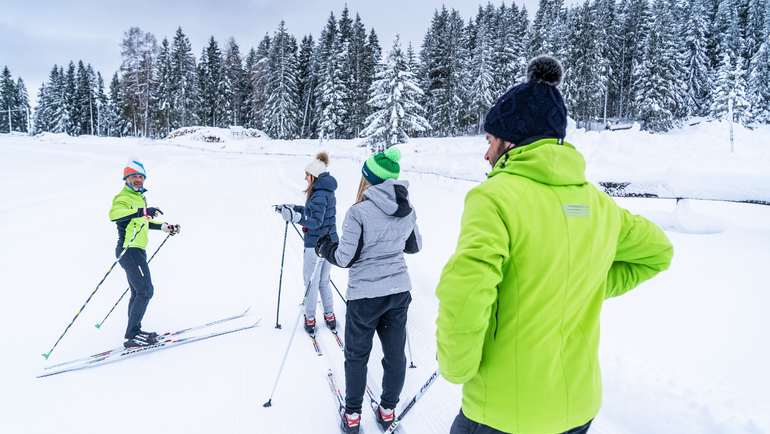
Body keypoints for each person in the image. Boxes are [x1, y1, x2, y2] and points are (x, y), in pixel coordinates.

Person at [435, 55, 674, 434]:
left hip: (502, 412)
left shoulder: (494, 198)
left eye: (490, 140)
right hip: (577, 409)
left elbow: (466, 290)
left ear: (511, 141)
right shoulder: (598, 205)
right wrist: (581, 284)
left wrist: (456, 367)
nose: (486, 153)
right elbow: (658, 251)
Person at [315, 147, 421, 434]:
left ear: (368, 179)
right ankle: (387, 410)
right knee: (395, 355)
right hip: (398, 292)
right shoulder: (406, 208)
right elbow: (414, 246)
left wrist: (325, 247)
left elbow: (344, 258)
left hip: (365, 297)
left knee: (357, 355)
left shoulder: (358, 212)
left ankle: (352, 416)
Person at [109, 160, 181, 349]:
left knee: (137, 292)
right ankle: (132, 335)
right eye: (134, 176)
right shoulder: (122, 197)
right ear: (126, 179)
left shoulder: (140, 198)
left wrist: (164, 227)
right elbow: (114, 215)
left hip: (138, 250)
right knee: (145, 291)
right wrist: (142, 211)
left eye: (141, 177)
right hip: (128, 250)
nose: (138, 179)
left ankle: (135, 331)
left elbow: (142, 221)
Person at [276, 152, 338, 334]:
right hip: (329, 243)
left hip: (315, 246)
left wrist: (294, 217)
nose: (305, 178)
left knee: (311, 282)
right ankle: (330, 316)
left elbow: (315, 221)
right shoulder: (326, 192)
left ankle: (310, 319)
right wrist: (294, 208)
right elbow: (314, 213)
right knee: (324, 281)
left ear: (314, 176)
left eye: (307, 175)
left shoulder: (318, 195)